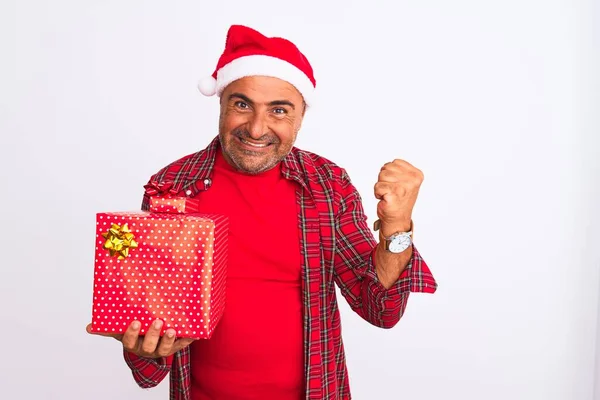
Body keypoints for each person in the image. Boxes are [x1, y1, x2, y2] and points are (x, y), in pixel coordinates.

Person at [87, 24, 437, 400]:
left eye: (278, 110)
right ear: (221, 103)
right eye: (242, 104)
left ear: (301, 114)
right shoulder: (172, 185)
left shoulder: (328, 185)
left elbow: (379, 309)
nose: (257, 128)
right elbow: (151, 343)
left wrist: (396, 226)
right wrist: (145, 348)